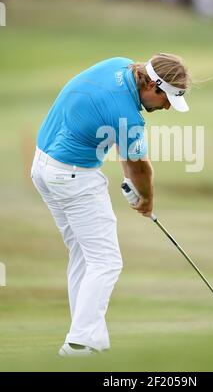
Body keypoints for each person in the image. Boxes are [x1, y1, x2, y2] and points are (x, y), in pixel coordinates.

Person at [31, 53, 191, 356]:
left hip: (43, 167)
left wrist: (138, 189)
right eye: (167, 99)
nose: (168, 106)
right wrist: (147, 200)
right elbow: (139, 168)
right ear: (154, 87)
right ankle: (80, 343)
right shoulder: (128, 117)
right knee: (106, 261)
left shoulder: (119, 64)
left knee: (84, 254)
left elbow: (124, 154)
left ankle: (93, 339)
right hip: (72, 175)